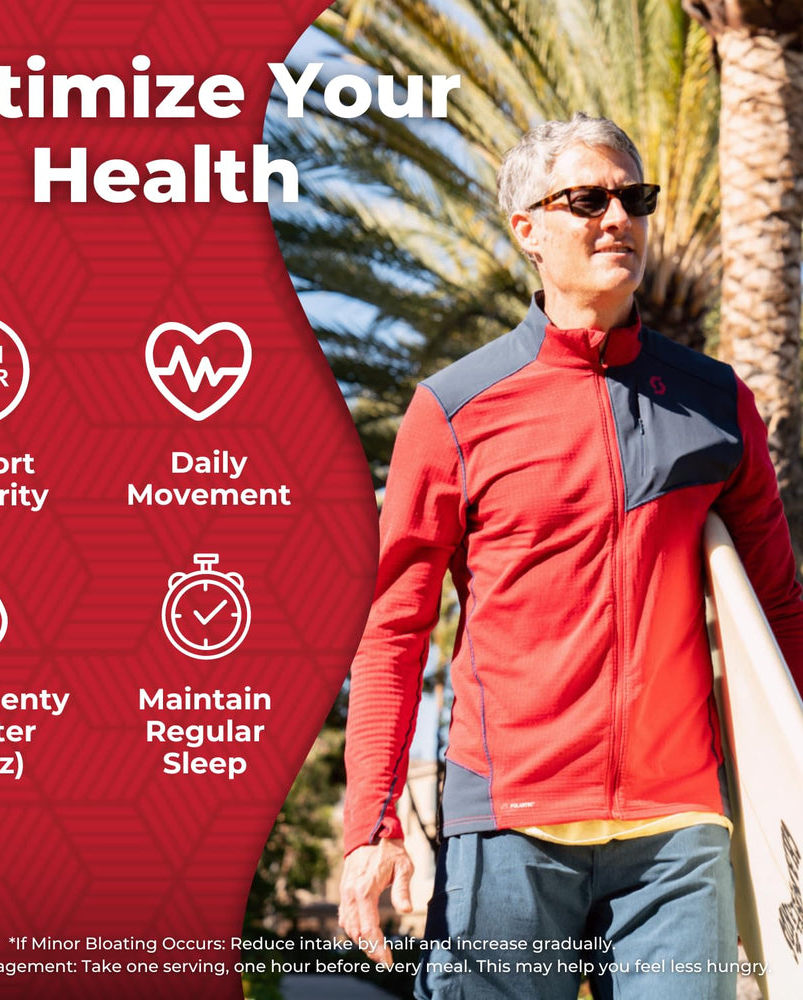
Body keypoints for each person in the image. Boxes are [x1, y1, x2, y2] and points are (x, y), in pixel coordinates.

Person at [337, 112, 803, 1000]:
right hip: (507, 825)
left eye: (634, 198)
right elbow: (394, 629)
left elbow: (780, 605)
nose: (618, 218)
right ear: (528, 229)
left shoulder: (714, 402)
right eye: (587, 199)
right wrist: (371, 826)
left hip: (678, 836)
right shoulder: (457, 409)